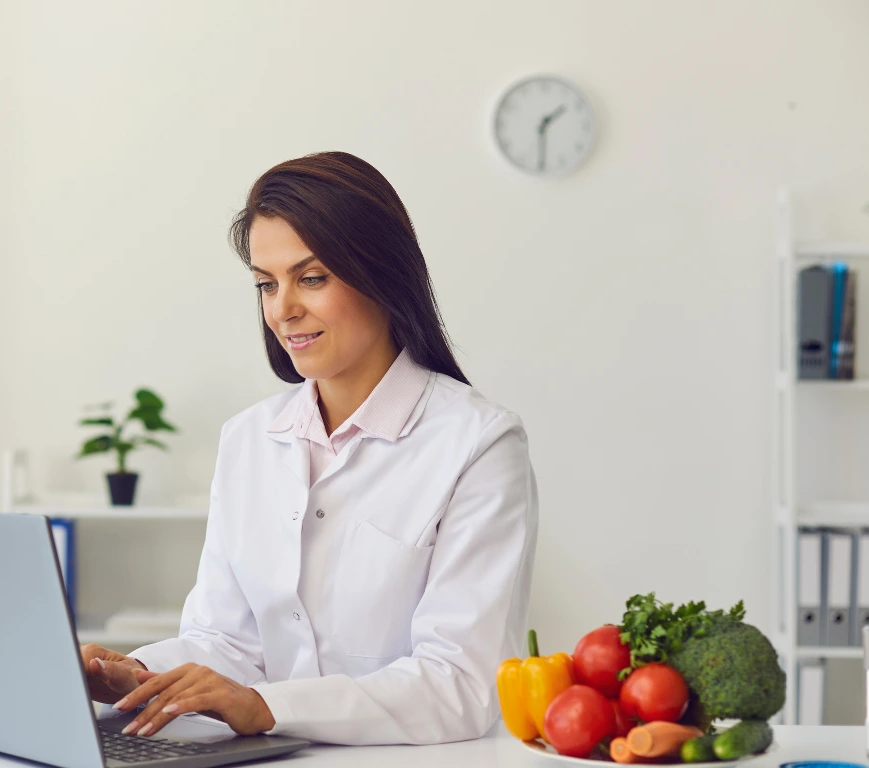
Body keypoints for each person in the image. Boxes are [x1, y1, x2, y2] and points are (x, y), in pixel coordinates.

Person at [79, 151, 539, 746]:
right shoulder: (247, 438)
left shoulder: (478, 443)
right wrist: (137, 677)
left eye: (312, 278)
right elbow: (226, 642)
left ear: (381, 274)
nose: (283, 309)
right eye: (267, 284)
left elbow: (461, 685)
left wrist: (264, 708)